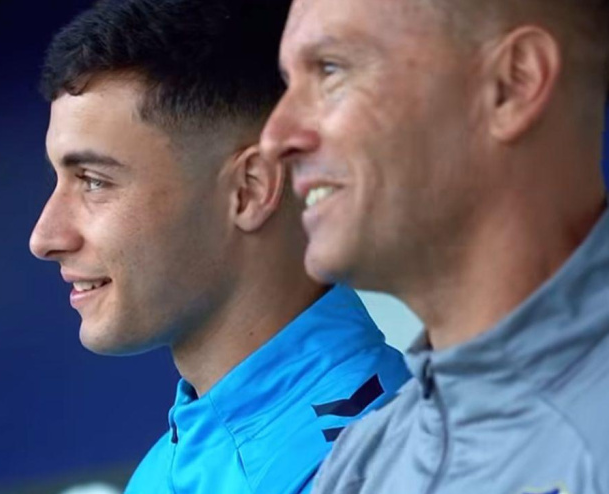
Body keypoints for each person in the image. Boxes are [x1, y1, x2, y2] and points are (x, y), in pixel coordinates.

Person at [30, 0, 410, 492]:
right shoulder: (159, 472)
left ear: (249, 189)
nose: (45, 237)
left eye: (94, 181)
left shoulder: (387, 465)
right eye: (58, 179)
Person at [260, 0, 609, 492]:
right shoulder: (360, 464)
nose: (274, 138)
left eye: (331, 69)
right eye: (287, 82)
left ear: (511, 85)